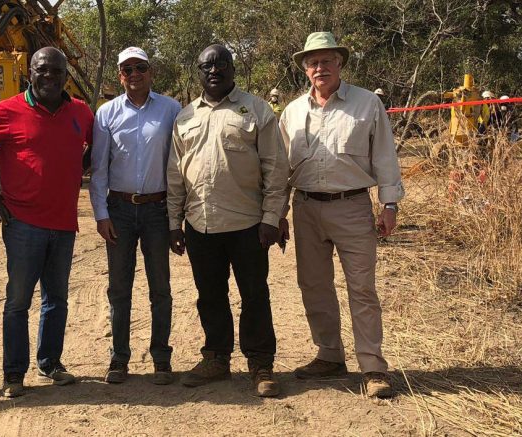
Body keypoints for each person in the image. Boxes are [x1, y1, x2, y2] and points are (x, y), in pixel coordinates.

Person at [0, 47, 94, 398]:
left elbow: (94, 150)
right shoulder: (8, 110)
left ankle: (50, 363)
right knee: (18, 301)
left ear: (66, 76)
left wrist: (75, 171)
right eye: (42, 69)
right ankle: (14, 374)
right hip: (23, 224)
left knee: (57, 299)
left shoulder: (81, 112)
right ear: (29, 73)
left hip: (64, 224)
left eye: (57, 71)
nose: (49, 76)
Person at [279, 32, 405, 399]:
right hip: (306, 208)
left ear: (339, 64)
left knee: (362, 288)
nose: (320, 67)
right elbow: (281, 167)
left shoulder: (367, 104)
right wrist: (278, 212)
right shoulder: (292, 111)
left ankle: (373, 367)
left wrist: (389, 204)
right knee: (313, 285)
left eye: (327, 60)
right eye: (313, 62)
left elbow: (385, 156)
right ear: (305, 70)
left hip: (352, 207)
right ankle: (329, 355)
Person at [167, 44, 289, 397]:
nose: (214, 70)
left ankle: (260, 364)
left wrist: (272, 217)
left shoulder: (257, 109)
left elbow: (275, 167)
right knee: (209, 295)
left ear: (233, 69)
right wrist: (174, 222)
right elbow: (175, 174)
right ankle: (216, 358)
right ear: (198, 72)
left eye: (221, 64)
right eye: (206, 66)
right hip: (200, 224)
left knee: (254, 294)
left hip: (248, 224)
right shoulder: (185, 116)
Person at [90, 47, 182, 385]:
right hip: (120, 210)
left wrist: (176, 217)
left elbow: (179, 166)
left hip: (158, 209)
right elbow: (99, 168)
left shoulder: (171, 110)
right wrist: (101, 215)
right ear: (120, 76)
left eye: (140, 67)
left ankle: (161, 358)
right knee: (119, 288)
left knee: (160, 287)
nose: (134, 74)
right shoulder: (106, 113)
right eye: (127, 69)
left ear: (150, 71)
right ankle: (119, 359)